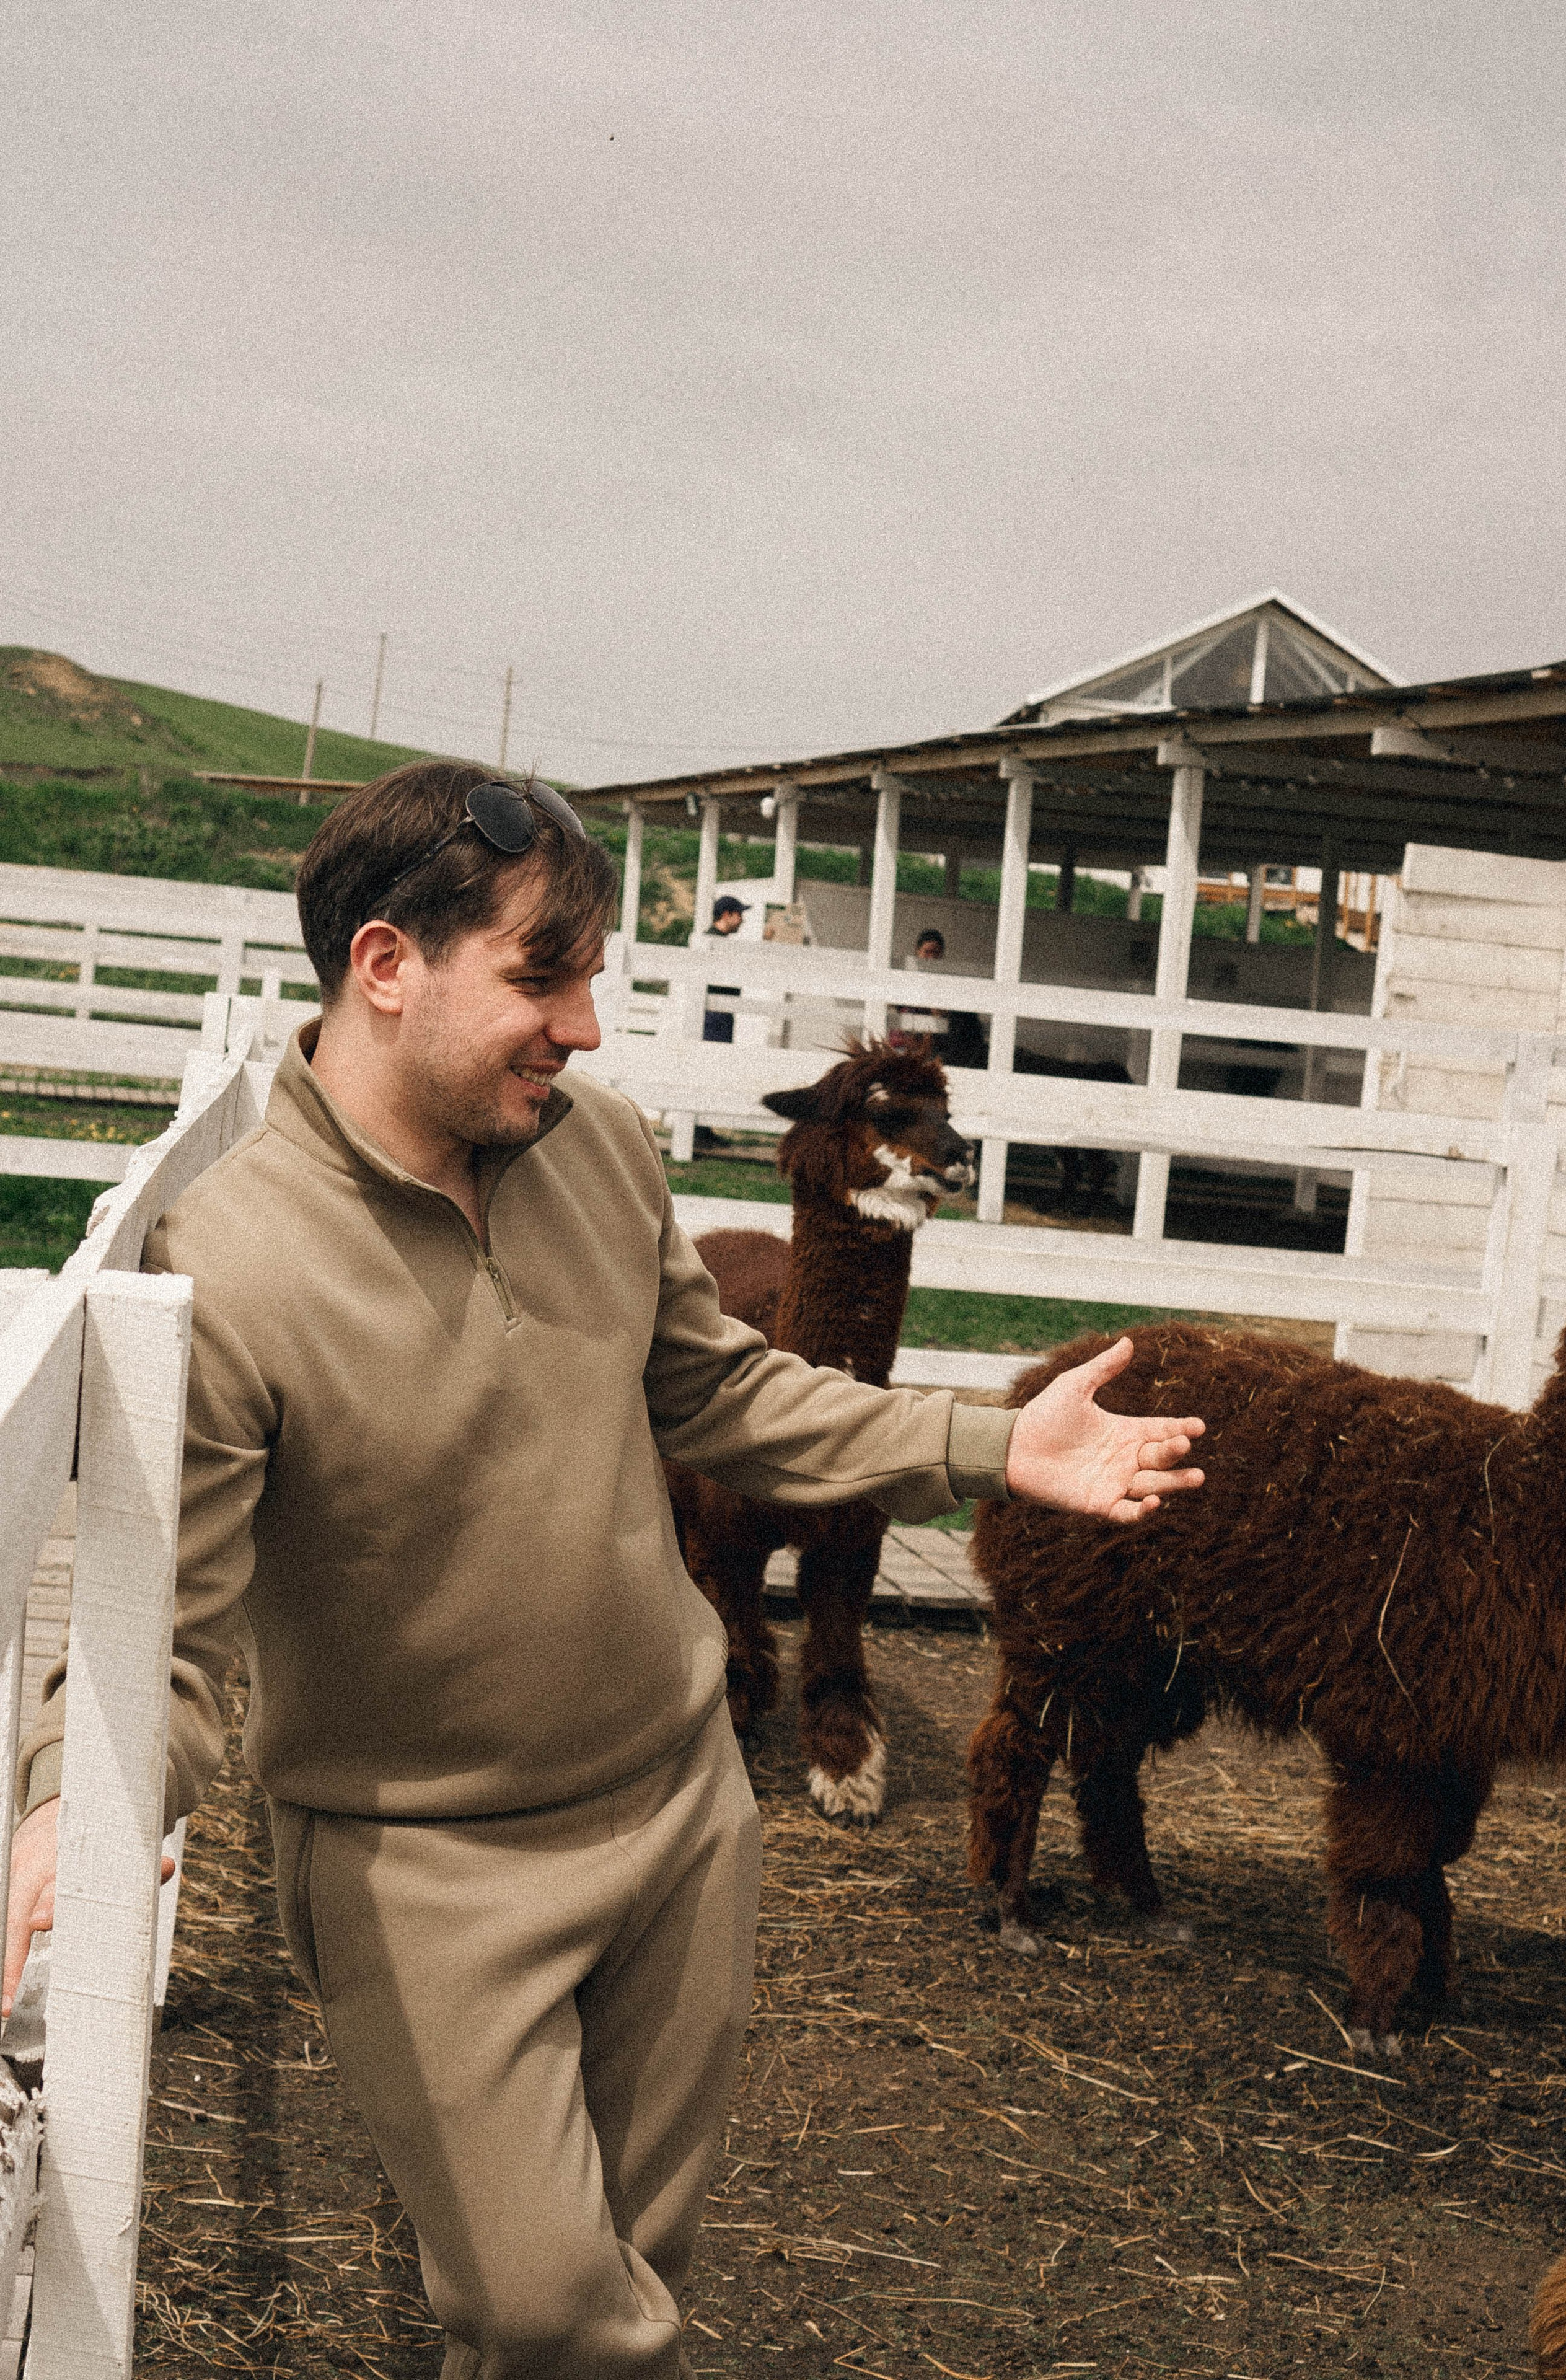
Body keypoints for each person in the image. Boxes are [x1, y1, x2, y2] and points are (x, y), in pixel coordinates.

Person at [5, 761, 1205, 2380]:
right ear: (385, 966)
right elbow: (173, 1630)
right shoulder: (230, 1259)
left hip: (682, 1819)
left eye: (594, 982)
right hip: (419, 1872)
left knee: (613, 2296)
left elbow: (715, 1390)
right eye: (543, 977)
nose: (585, 1029)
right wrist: (80, 1798)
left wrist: (997, 1446)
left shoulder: (607, 1153)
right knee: (557, 2315)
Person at [893, 926, 988, 1069]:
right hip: (913, 1040)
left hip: (943, 1043)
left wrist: (944, 1013)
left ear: (942, 955)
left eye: (936, 953)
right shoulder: (907, 979)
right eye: (927, 952)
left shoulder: (948, 982)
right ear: (917, 952)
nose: (931, 958)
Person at [700, 891, 744, 1044]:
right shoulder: (715, 943)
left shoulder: (710, 940)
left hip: (717, 1012)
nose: (742, 920)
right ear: (727, 915)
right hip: (716, 1014)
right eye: (739, 915)